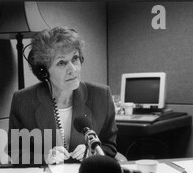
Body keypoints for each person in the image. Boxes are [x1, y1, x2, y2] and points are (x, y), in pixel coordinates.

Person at [7, 26, 118, 165]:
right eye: (61, 63)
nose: (73, 69)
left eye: (75, 58)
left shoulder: (102, 96)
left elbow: (111, 147)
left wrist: (93, 152)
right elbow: (16, 152)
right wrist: (45, 158)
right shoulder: (23, 100)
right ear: (44, 71)